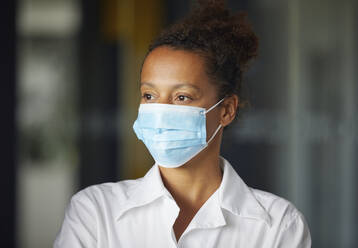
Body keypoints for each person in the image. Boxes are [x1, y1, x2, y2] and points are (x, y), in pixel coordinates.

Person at [54, 0, 311, 247]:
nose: (161, 110)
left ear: (226, 110)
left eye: (182, 97)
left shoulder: (278, 225)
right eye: (149, 95)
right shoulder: (95, 212)